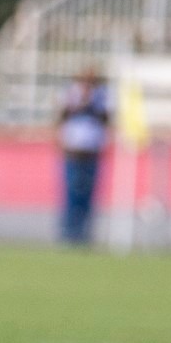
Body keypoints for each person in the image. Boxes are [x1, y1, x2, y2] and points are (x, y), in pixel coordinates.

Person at [56, 67, 110, 245]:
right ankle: (69, 234)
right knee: (71, 195)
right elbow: (61, 117)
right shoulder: (70, 95)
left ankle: (85, 234)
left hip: (91, 153)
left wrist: (92, 104)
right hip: (73, 153)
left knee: (88, 197)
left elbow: (105, 118)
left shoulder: (101, 97)